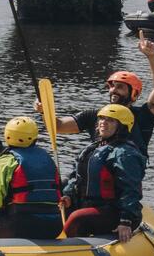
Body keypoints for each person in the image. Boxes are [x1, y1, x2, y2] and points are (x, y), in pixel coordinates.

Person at [58, 42, 154, 156]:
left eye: (120, 87)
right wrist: (44, 110)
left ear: (133, 93)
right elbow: (58, 126)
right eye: (112, 86)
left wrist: (152, 57)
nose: (113, 90)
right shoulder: (95, 115)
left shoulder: (144, 117)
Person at [61, 104, 147, 242]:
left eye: (110, 120)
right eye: (101, 118)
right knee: (52, 211)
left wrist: (125, 221)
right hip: (88, 205)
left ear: (122, 126)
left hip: (114, 212)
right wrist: (69, 195)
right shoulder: (91, 148)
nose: (103, 123)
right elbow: (75, 177)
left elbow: (131, 190)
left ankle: (64, 252)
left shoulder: (125, 154)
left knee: (77, 219)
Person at [0, 118, 64, 240]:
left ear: (7, 134)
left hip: (20, 227)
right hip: (54, 227)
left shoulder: (3, 161)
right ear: (34, 137)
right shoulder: (46, 158)